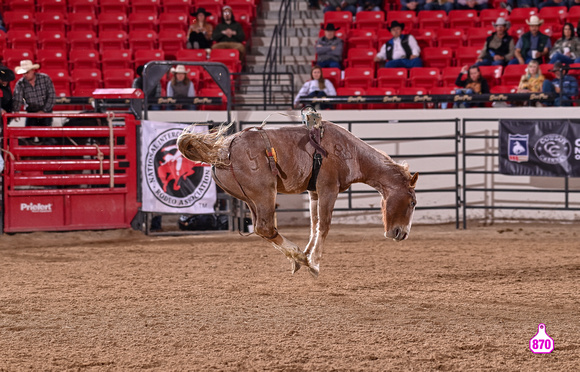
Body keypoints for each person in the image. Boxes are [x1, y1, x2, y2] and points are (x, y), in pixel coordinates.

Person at [12, 60, 56, 127]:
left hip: (46, 112)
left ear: (33, 70)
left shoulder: (45, 79)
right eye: (24, 73)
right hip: (31, 112)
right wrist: (16, 111)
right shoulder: (20, 83)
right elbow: (18, 98)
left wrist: (44, 110)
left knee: (45, 136)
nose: (25, 75)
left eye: (27, 72)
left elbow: (51, 96)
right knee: (29, 135)